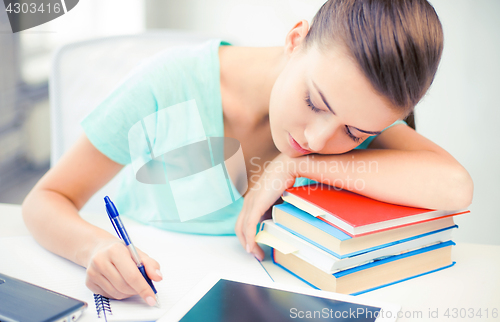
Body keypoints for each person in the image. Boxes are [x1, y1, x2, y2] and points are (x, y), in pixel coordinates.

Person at [22, 0, 473, 307]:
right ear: (297, 38)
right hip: (146, 293)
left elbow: (456, 186)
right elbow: (47, 199)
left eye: (354, 133)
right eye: (315, 103)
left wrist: (296, 164)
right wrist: (95, 247)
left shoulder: (358, 114)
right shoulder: (166, 85)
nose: (318, 139)